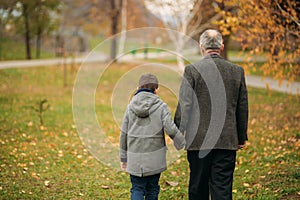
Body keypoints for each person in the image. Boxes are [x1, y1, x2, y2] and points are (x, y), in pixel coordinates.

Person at [174, 29, 248, 200]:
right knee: (222, 189)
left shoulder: (192, 70)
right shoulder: (237, 71)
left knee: (198, 188)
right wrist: (241, 136)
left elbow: (185, 104)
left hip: (198, 141)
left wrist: (178, 133)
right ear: (221, 46)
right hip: (226, 140)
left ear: (201, 47)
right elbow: (242, 106)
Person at [120, 73, 186, 200]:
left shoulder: (130, 107)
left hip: (135, 158)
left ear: (138, 87)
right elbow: (170, 128)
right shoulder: (161, 106)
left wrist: (123, 158)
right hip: (155, 157)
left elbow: (124, 133)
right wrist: (182, 143)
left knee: (137, 188)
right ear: (156, 89)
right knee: (153, 188)